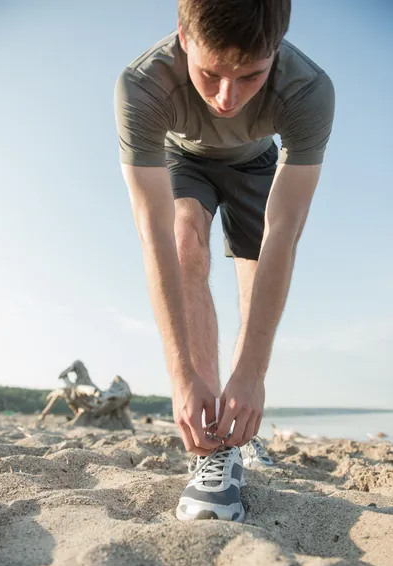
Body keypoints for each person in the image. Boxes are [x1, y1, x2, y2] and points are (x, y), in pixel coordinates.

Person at [114, 0, 335, 522]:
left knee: (254, 275)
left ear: (275, 52)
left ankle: (242, 420)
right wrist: (182, 374)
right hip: (182, 157)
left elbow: (285, 232)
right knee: (186, 240)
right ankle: (215, 448)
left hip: (258, 162)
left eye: (252, 76)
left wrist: (253, 373)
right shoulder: (142, 87)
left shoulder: (308, 90)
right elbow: (154, 237)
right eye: (211, 74)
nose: (227, 98)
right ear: (184, 38)